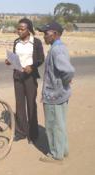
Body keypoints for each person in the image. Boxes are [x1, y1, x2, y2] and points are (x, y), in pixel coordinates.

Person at [37, 21, 75, 162]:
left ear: (55, 34)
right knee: (60, 124)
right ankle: (62, 150)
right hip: (59, 94)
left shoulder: (56, 50)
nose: (44, 37)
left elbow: (69, 71)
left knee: (53, 126)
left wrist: (63, 82)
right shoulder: (58, 47)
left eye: (46, 34)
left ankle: (55, 155)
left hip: (54, 96)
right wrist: (64, 83)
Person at [5, 18, 44, 143]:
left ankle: (33, 134)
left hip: (30, 77)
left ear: (29, 30)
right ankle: (21, 132)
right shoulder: (16, 42)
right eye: (18, 28)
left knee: (31, 104)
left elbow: (40, 59)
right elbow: (15, 58)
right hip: (18, 75)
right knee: (19, 104)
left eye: (22, 29)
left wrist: (31, 67)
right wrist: (9, 61)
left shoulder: (36, 42)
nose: (19, 31)